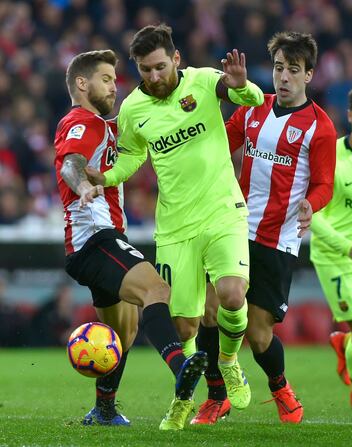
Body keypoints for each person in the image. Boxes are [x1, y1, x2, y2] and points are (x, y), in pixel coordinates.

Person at [85, 24, 264, 429]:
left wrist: (243, 86)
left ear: (177, 59)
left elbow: (244, 98)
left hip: (223, 211)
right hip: (175, 226)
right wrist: (108, 178)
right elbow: (132, 156)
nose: (154, 77)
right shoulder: (132, 109)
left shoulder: (202, 82)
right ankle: (183, 398)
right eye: (146, 70)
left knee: (233, 295)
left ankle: (231, 362)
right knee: (183, 325)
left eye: (161, 67)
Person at [54, 49, 208, 430]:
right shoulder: (81, 121)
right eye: (106, 79)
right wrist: (82, 187)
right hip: (96, 239)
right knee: (157, 290)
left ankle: (104, 409)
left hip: (95, 242)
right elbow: (70, 163)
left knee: (123, 332)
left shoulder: (104, 125)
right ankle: (180, 366)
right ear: (81, 83)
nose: (113, 86)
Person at [192, 31, 337, 425]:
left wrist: (312, 203)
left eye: (293, 70)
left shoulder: (319, 127)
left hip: (277, 238)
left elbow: (324, 182)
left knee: (258, 335)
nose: (283, 77)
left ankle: (279, 387)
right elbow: (222, 142)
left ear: (309, 74)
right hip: (232, 225)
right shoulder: (253, 108)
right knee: (208, 311)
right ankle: (216, 396)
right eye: (278, 68)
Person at [310, 83, 352, 409]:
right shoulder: (333, 157)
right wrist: (346, 247)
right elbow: (310, 213)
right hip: (334, 256)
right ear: (350, 116)